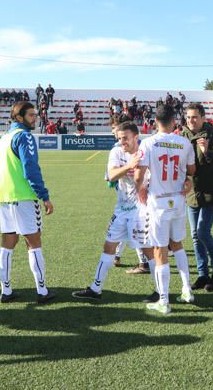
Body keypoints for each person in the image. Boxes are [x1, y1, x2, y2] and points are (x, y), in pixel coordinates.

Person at [72, 120, 155, 301]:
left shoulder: (146, 153)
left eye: (125, 138)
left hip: (140, 210)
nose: (122, 142)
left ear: (136, 137)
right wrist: (129, 166)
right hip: (121, 208)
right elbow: (111, 175)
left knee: (148, 250)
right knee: (109, 245)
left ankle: (160, 292)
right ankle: (96, 288)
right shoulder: (117, 151)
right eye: (119, 138)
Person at [134, 106, 196, 314]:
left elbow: (138, 174)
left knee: (160, 250)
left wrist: (140, 188)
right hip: (178, 199)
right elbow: (192, 170)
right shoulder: (184, 142)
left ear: (155, 121)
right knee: (177, 244)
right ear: (174, 121)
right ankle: (187, 290)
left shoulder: (149, 143)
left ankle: (164, 301)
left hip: (158, 202)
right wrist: (186, 180)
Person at [0, 101, 56, 305]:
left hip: (4, 198)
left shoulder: (3, 139)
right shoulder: (24, 136)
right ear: (19, 118)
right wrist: (44, 196)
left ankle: (6, 290)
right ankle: (42, 290)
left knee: (8, 243)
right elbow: (31, 169)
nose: (35, 118)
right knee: (33, 243)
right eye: (31, 115)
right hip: (23, 198)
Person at [180, 103, 213, 292]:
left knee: (202, 232)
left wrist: (207, 151)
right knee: (195, 236)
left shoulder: (211, 134)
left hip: (209, 192)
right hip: (191, 194)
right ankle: (202, 274)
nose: (191, 120)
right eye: (189, 117)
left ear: (203, 118)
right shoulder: (181, 136)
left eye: (195, 117)